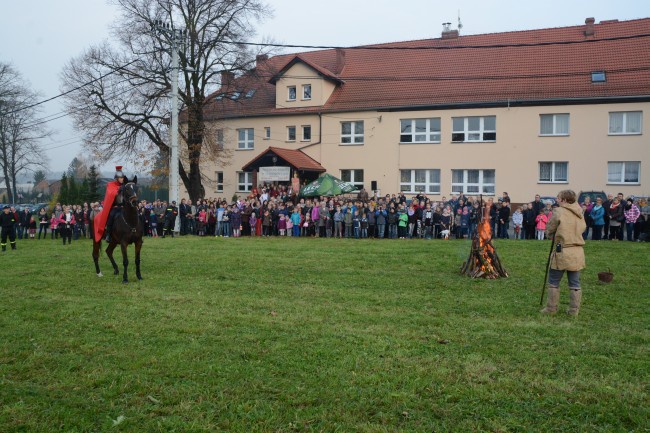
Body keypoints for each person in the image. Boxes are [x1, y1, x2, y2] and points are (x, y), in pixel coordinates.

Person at [541, 190, 586, 316]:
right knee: (575, 282)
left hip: (563, 250)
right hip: (577, 251)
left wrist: (549, 234)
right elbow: (583, 228)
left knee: (554, 280)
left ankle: (551, 308)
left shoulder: (559, 211)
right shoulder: (580, 212)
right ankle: (574, 310)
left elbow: (551, 227)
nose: (557, 199)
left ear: (565, 200)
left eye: (559, 198)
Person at [94, 166, 127, 242]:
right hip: (115, 207)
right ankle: (108, 234)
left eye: (122, 178)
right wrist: (118, 190)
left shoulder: (125, 185)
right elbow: (111, 194)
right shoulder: (111, 185)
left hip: (123, 207)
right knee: (111, 216)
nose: (122, 179)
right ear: (117, 178)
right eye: (120, 178)